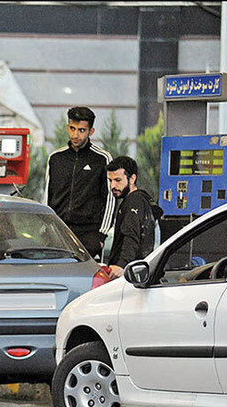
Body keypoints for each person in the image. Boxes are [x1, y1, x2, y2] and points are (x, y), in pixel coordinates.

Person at [43, 106, 115, 260]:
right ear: (68, 127)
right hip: (57, 231)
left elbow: (110, 199)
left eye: (81, 130)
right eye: (72, 128)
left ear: (91, 131)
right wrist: (46, 227)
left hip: (89, 234)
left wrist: (101, 235)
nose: (75, 135)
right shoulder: (55, 158)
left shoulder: (102, 158)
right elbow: (47, 195)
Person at [106, 156, 162, 279]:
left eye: (118, 180)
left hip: (129, 275)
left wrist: (122, 265)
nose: (112, 186)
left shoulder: (134, 201)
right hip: (138, 273)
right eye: (110, 180)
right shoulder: (140, 200)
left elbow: (131, 235)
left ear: (132, 179)